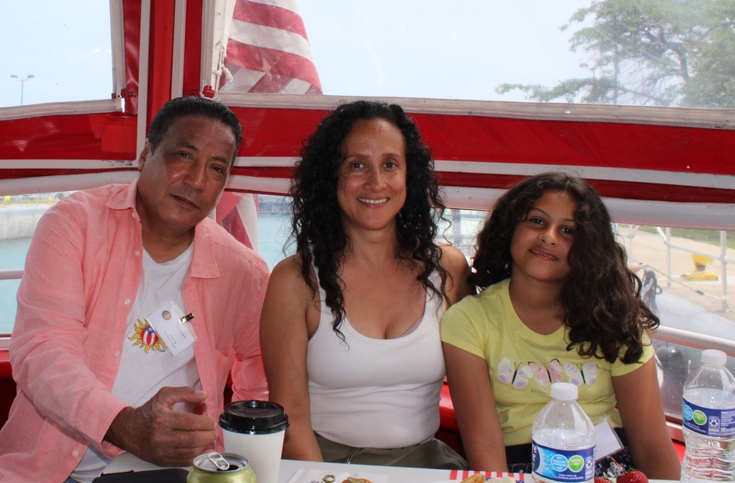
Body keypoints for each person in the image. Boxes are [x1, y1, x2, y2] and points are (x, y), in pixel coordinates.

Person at [0, 96, 269, 483]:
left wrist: (238, 457)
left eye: (216, 168)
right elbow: (43, 351)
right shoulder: (74, 225)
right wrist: (124, 425)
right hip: (47, 471)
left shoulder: (244, 272)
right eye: (184, 156)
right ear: (145, 154)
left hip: (175, 473)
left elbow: (262, 378)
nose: (197, 181)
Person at [260, 100, 471, 467]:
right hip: (322, 465)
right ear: (332, 177)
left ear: (410, 176)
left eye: (390, 164)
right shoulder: (294, 281)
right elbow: (290, 420)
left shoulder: (449, 270)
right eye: (357, 165)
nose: (376, 182)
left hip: (428, 465)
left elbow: (477, 398)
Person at [440, 172, 681, 480]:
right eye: (537, 221)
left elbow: (653, 450)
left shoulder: (615, 320)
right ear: (509, 228)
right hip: (519, 471)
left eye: (568, 230)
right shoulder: (469, 320)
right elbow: (485, 451)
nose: (550, 236)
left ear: (588, 248)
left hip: (610, 468)